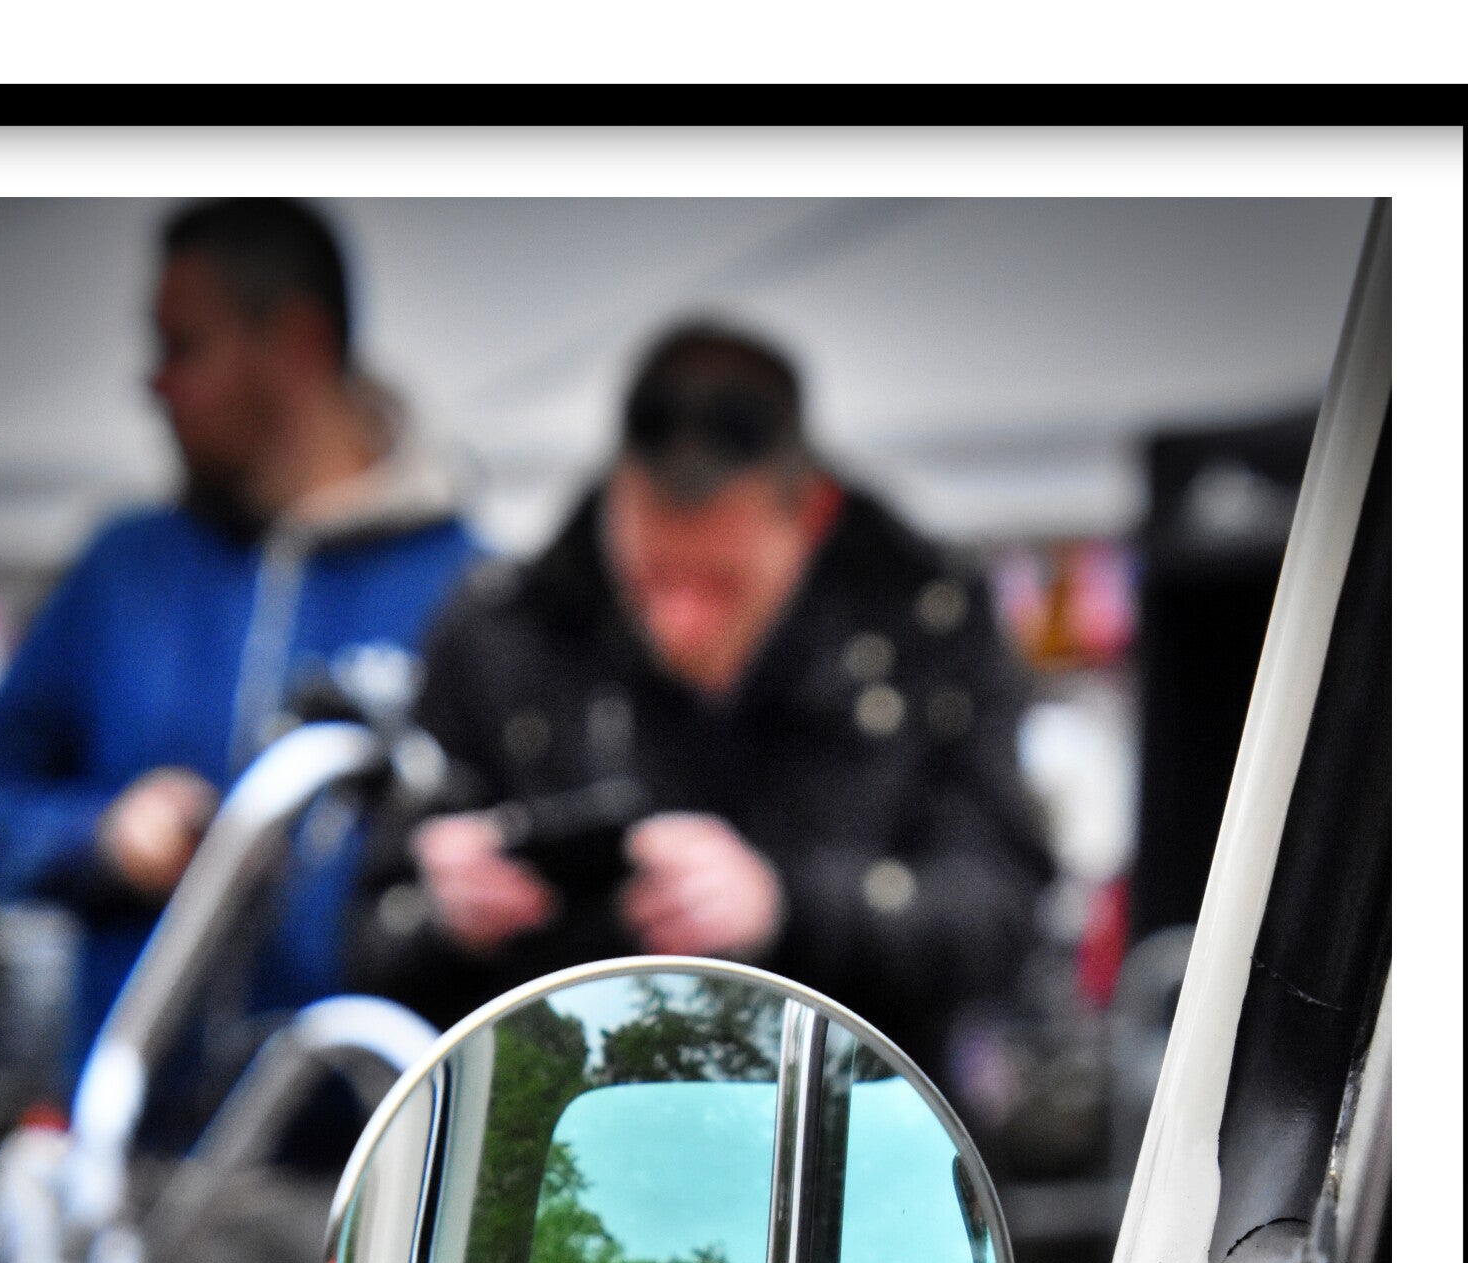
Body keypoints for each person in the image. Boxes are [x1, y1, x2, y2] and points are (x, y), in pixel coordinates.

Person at [346, 320, 1054, 1097]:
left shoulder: (930, 629)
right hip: (571, 1129)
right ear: (615, 502)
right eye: (651, 577)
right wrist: (449, 917)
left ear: (811, 516)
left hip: (856, 1127)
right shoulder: (503, 631)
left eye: (719, 583)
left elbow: (1004, 915)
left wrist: (789, 906)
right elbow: (369, 938)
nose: (678, 624)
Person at [0, 198, 481, 1108]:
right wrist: (101, 837)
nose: (154, 385)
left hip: (370, 1147)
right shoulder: (126, 573)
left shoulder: (466, 589)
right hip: (137, 1148)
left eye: (183, 348)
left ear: (297, 342)